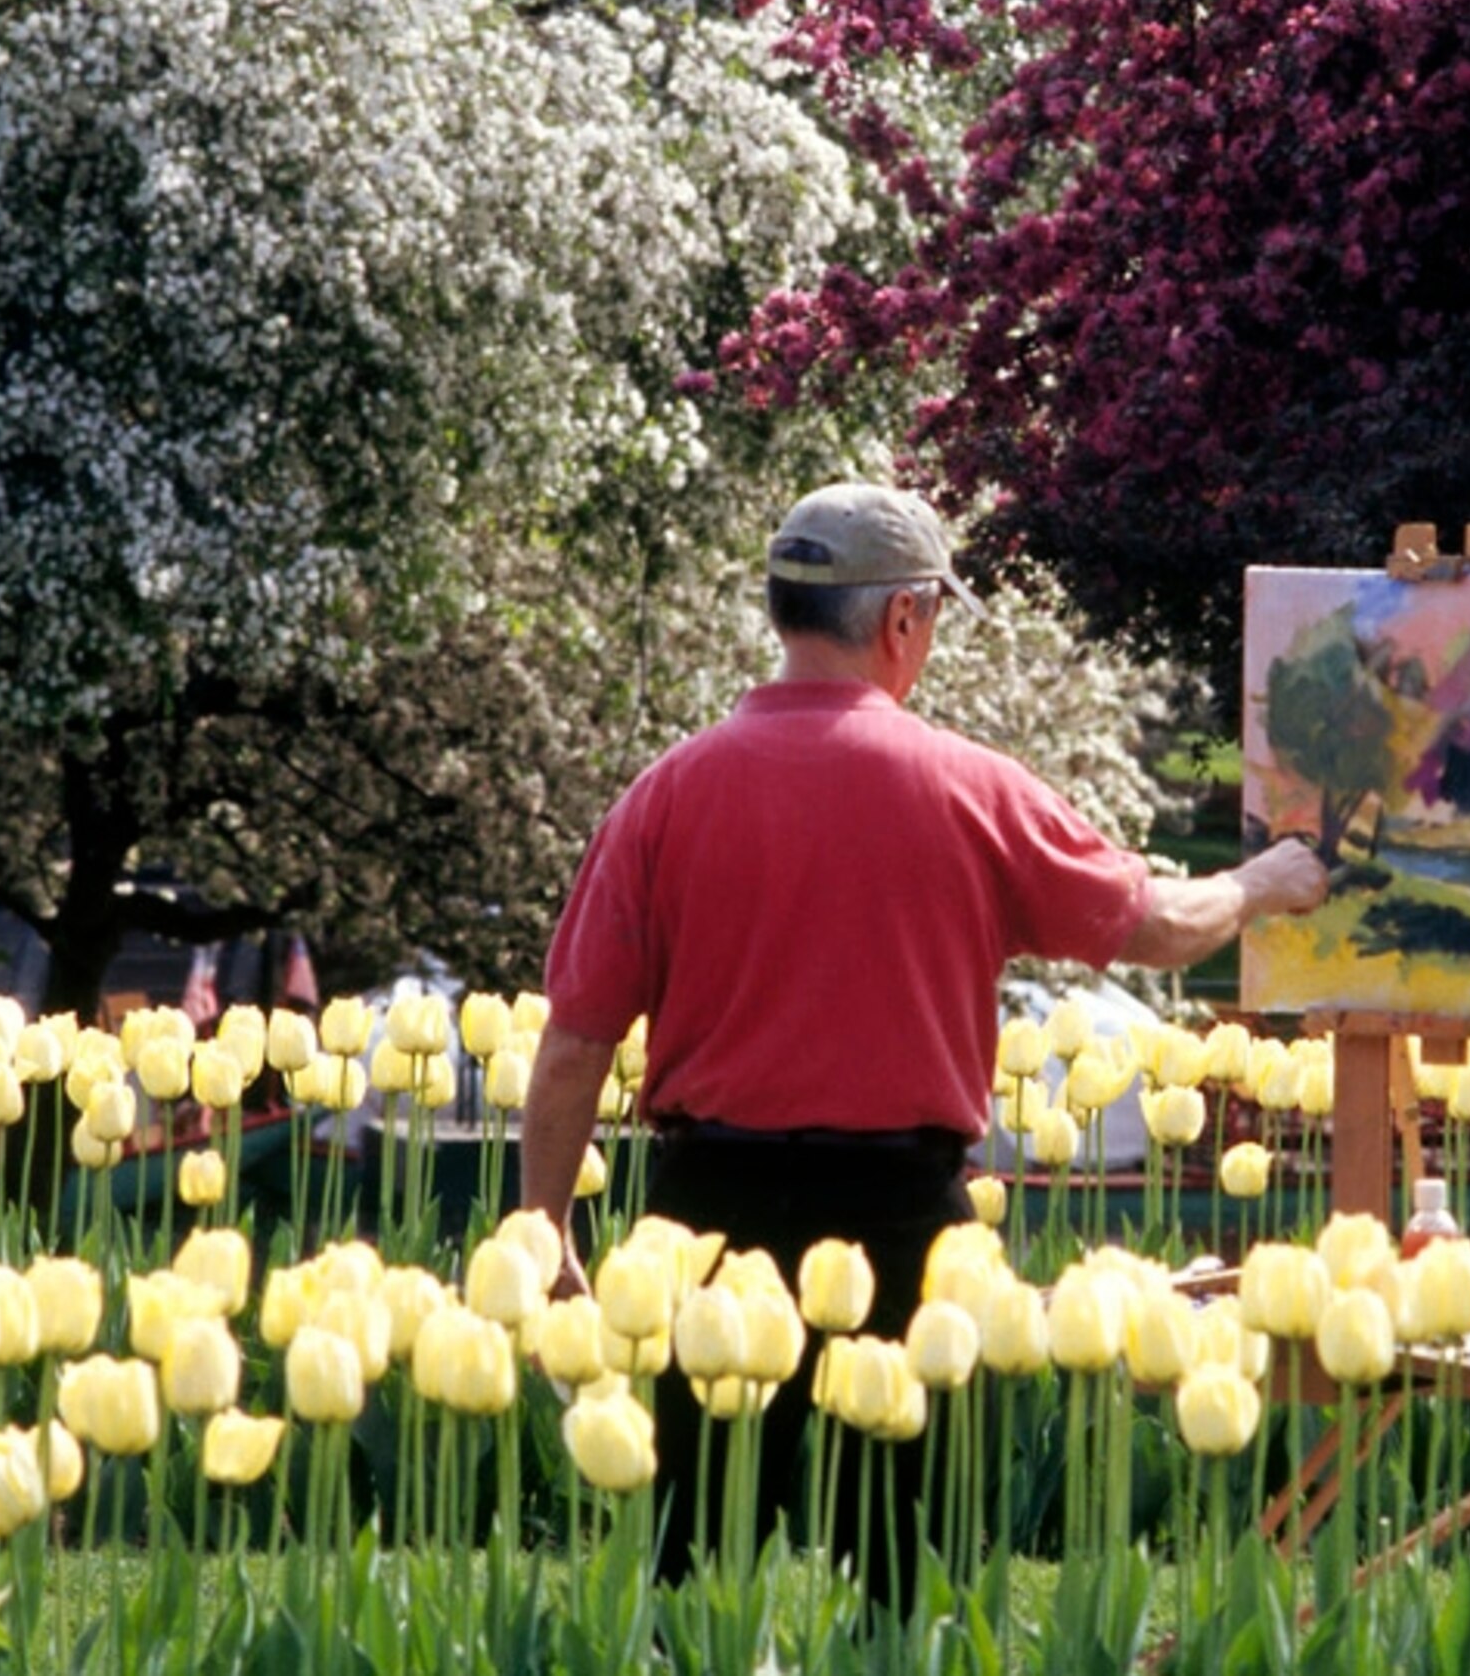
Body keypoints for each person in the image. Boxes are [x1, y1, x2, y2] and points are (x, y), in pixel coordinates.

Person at [517, 481, 1329, 1592]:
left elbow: (575, 1039)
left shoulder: (666, 793)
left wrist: (545, 1221)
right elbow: (1160, 926)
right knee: (911, 1572)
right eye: (933, 618)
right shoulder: (967, 787)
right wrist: (1267, 879)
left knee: (692, 1568)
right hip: (906, 1215)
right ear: (901, 620)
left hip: (704, 1213)